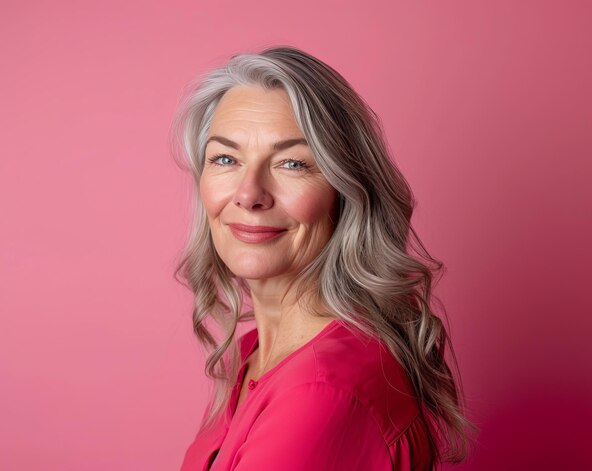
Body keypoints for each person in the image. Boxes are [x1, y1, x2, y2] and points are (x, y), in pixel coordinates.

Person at [171, 45, 476, 471]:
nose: (248, 194)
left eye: (292, 163)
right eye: (226, 158)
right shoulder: (255, 353)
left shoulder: (321, 390)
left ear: (346, 191)